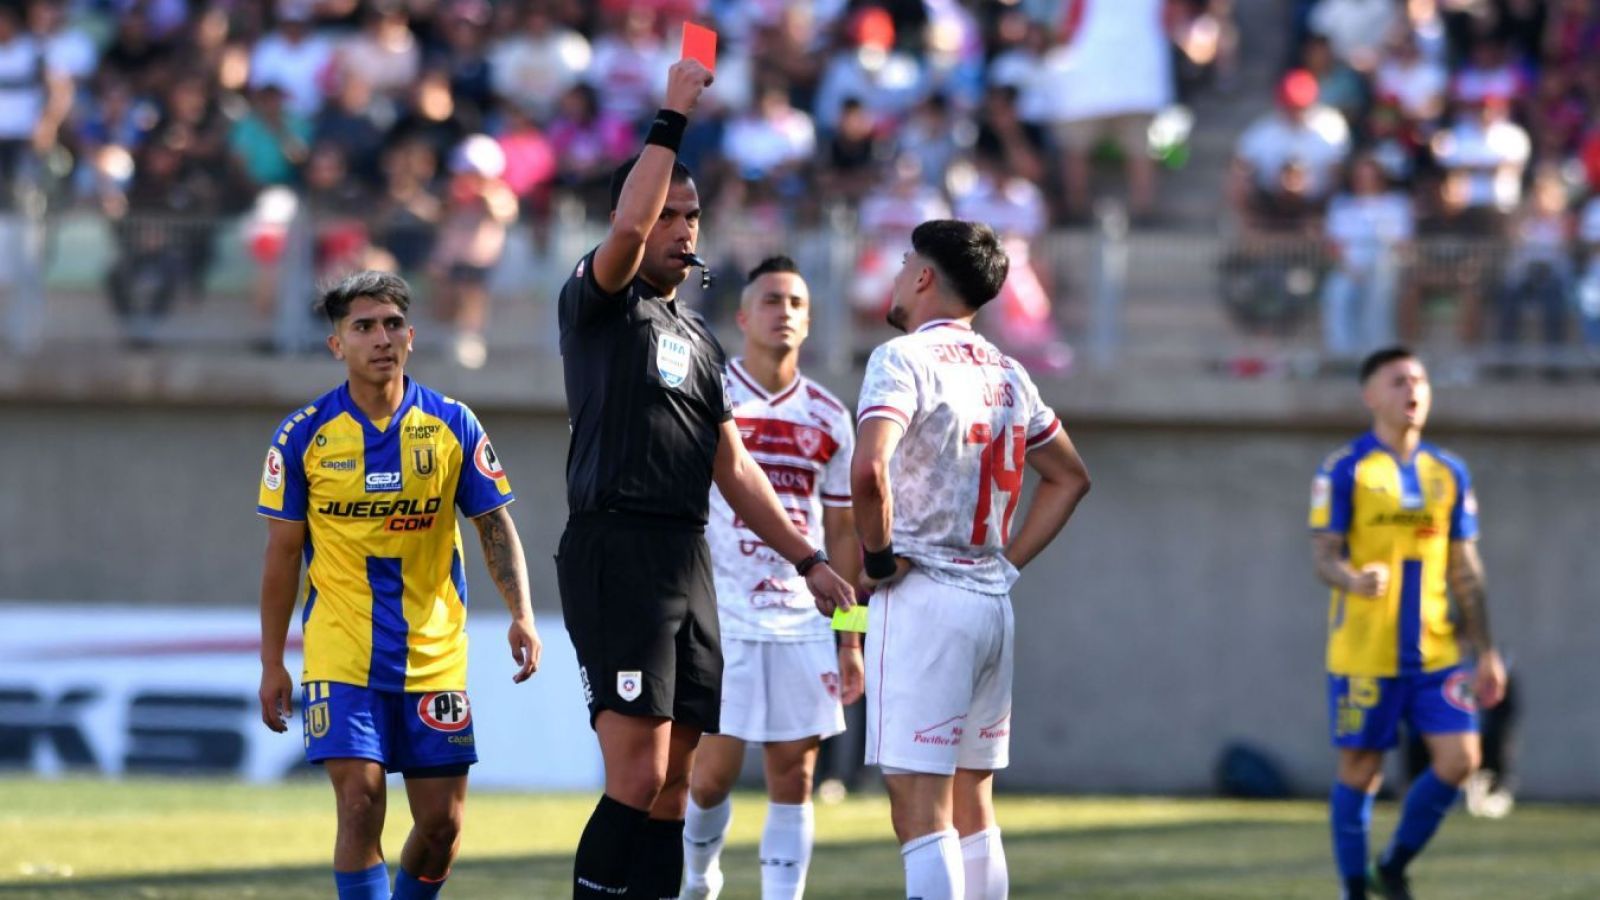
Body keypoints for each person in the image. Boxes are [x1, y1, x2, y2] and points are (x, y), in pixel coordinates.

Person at [555, 59, 855, 900]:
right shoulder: (600, 302)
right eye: (669, 215)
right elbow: (623, 233)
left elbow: (734, 465)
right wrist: (672, 117)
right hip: (618, 546)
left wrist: (808, 559)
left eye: (693, 216)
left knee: (677, 784)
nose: (684, 230)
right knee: (636, 776)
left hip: (691, 560)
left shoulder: (699, 338)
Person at [256, 270, 543, 900]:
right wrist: (273, 661)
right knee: (360, 802)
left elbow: (494, 524)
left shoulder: (451, 425)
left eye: (391, 325)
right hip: (341, 651)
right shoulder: (302, 436)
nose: (380, 338)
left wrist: (521, 612)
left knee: (441, 825)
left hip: (434, 654)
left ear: (411, 337)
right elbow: (281, 557)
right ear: (337, 345)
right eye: (362, 327)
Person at [852, 219, 1092, 898]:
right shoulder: (1009, 370)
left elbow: (868, 472)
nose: (898, 274)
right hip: (992, 600)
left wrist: (875, 560)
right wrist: (1007, 563)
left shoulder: (901, 359)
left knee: (919, 810)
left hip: (926, 597)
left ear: (925, 277)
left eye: (904, 264)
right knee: (973, 805)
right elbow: (1071, 477)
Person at [681, 256, 864, 900]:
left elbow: (844, 537)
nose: (782, 312)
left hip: (800, 618)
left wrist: (851, 638)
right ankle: (698, 880)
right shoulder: (708, 397)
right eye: (770, 300)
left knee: (796, 773)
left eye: (795, 304)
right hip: (720, 611)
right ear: (741, 317)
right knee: (710, 776)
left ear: (808, 323)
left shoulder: (829, 416)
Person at [1309, 346, 1507, 900]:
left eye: (1419, 379)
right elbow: (1324, 555)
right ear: (1370, 395)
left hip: (1438, 650)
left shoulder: (1449, 472)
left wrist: (1487, 650)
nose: (1412, 390)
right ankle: (1354, 890)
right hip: (1364, 650)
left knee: (1462, 759)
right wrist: (1351, 579)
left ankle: (1392, 866)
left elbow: (1466, 566)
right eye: (1397, 381)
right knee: (1362, 768)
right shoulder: (1344, 468)